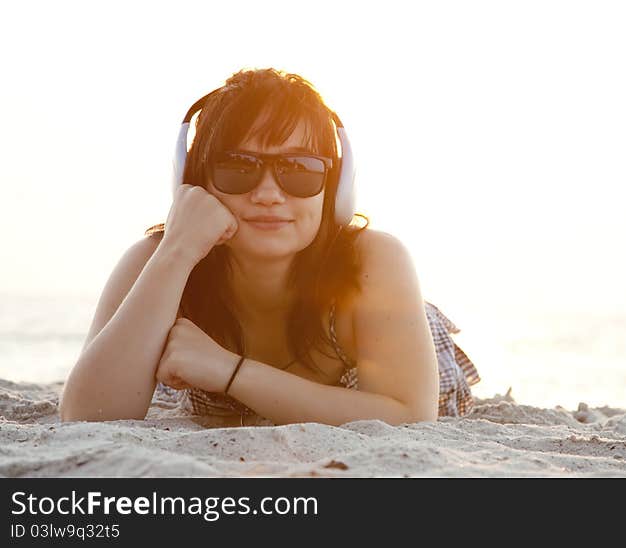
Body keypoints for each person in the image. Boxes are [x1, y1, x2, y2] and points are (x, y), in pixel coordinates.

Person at [59, 68, 480, 427]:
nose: (268, 193)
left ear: (335, 188)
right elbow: (87, 417)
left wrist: (228, 371)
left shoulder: (372, 262)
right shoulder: (158, 261)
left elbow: (408, 414)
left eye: (298, 169)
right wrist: (177, 253)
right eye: (238, 167)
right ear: (194, 180)